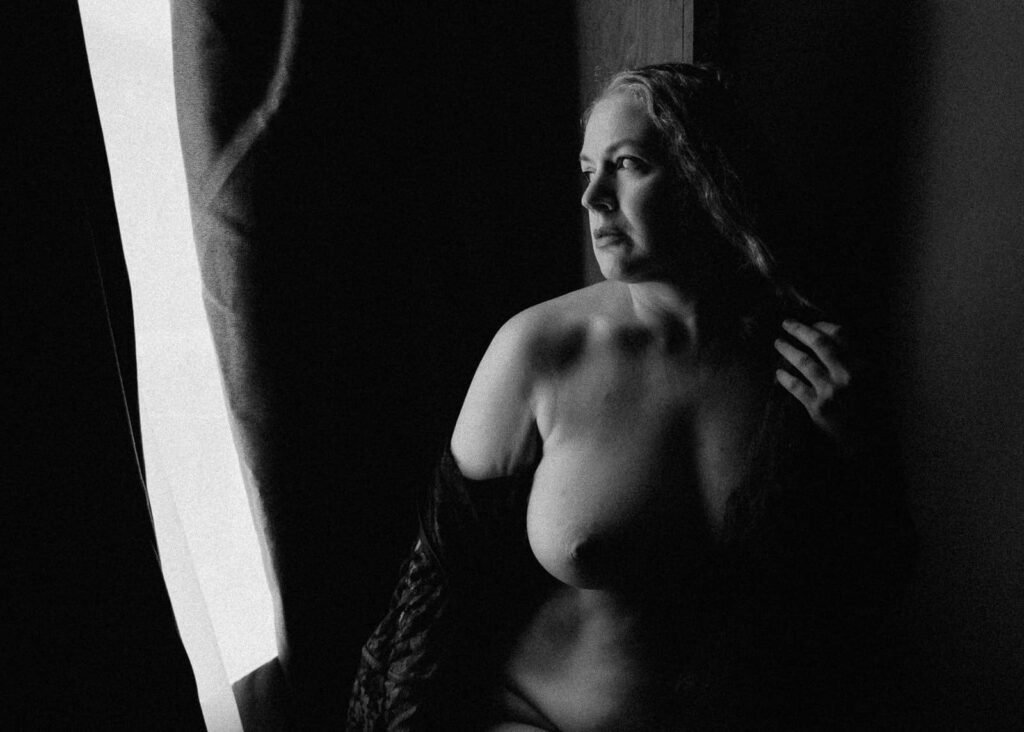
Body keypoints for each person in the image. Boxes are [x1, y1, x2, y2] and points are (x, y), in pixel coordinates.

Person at [348, 63, 914, 730]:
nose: (593, 197)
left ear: (709, 179)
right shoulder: (540, 350)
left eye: (627, 165)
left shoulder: (805, 367)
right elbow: (434, 595)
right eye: (588, 169)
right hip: (531, 719)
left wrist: (861, 447)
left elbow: (865, 597)